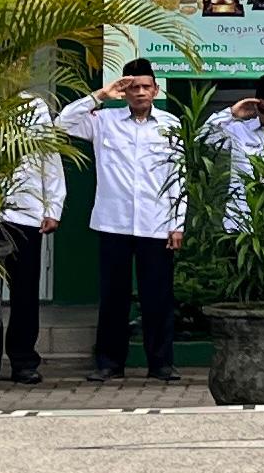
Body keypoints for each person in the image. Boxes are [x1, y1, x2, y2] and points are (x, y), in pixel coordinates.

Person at [56, 61, 184, 382]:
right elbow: (62, 122)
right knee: (113, 297)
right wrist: (99, 95)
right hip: (113, 224)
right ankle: (109, 363)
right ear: (124, 90)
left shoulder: (170, 125)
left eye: (146, 87)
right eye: (133, 87)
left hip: (157, 224)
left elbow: (178, 178)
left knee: (158, 296)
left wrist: (177, 223)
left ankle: (161, 364)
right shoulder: (103, 121)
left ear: (156, 90)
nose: (140, 92)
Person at [0, 97, 66, 385]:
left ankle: (23, 360)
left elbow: (50, 156)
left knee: (24, 290)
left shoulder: (34, 106)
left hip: (26, 211)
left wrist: (53, 207)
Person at [211, 74, 264, 229]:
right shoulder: (238, 130)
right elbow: (203, 138)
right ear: (256, 105)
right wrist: (231, 113)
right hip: (240, 223)